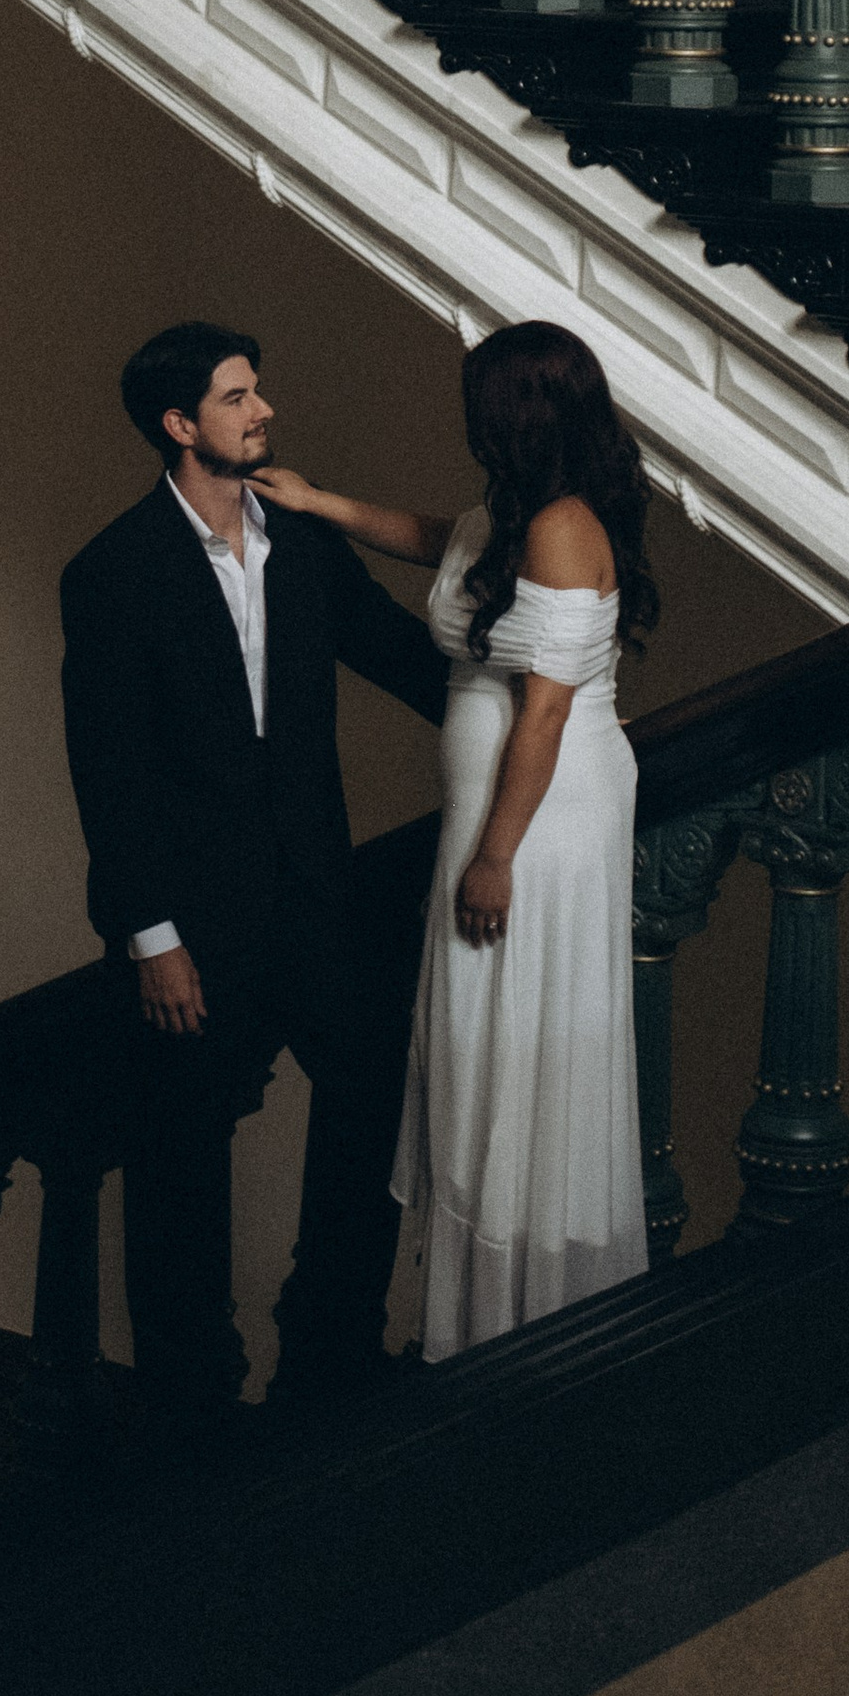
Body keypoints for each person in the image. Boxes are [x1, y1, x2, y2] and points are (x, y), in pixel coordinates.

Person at [59, 321, 447, 1440]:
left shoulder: (304, 541)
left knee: (374, 1098)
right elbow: (107, 768)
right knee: (178, 1160)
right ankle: (188, 1399)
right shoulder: (113, 572)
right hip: (195, 926)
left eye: (256, 393)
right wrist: (150, 936)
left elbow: (399, 654)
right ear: (181, 427)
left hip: (316, 901)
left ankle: (327, 1342)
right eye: (237, 398)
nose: (262, 412)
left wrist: (534, 705)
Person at [249, 318, 655, 1359]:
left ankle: (526, 1318)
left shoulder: (565, 524)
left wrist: (493, 855)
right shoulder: (511, 515)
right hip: (504, 819)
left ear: (516, 415)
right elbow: (441, 540)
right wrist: (320, 502)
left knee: (519, 1038)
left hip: (542, 827)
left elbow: (549, 714)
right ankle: (483, 1317)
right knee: (480, 1043)